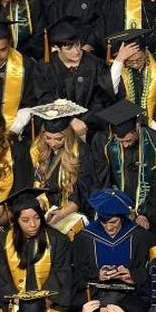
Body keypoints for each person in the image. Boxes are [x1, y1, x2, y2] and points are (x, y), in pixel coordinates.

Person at [93, 99, 156, 229]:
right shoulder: (104, 143)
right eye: (120, 141)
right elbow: (102, 179)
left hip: (151, 212)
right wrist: (114, 208)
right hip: (115, 208)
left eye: (128, 140)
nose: (125, 145)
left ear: (137, 127)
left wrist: (144, 213)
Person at [26, 101, 100, 237]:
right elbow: (37, 181)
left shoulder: (81, 153)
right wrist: (40, 203)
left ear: (68, 135)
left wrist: (63, 213)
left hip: (73, 210)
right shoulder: (38, 149)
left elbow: (84, 192)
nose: (53, 143)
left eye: (59, 139)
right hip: (49, 207)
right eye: (48, 138)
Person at [38, 19, 113, 130]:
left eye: (77, 44)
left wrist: (86, 122)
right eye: (69, 48)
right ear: (57, 48)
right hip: (58, 125)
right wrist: (69, 120)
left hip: (90, 126)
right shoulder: (45, 67)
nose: (77, 51)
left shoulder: (95, 64)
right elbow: (45, 98)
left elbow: (101, 98)